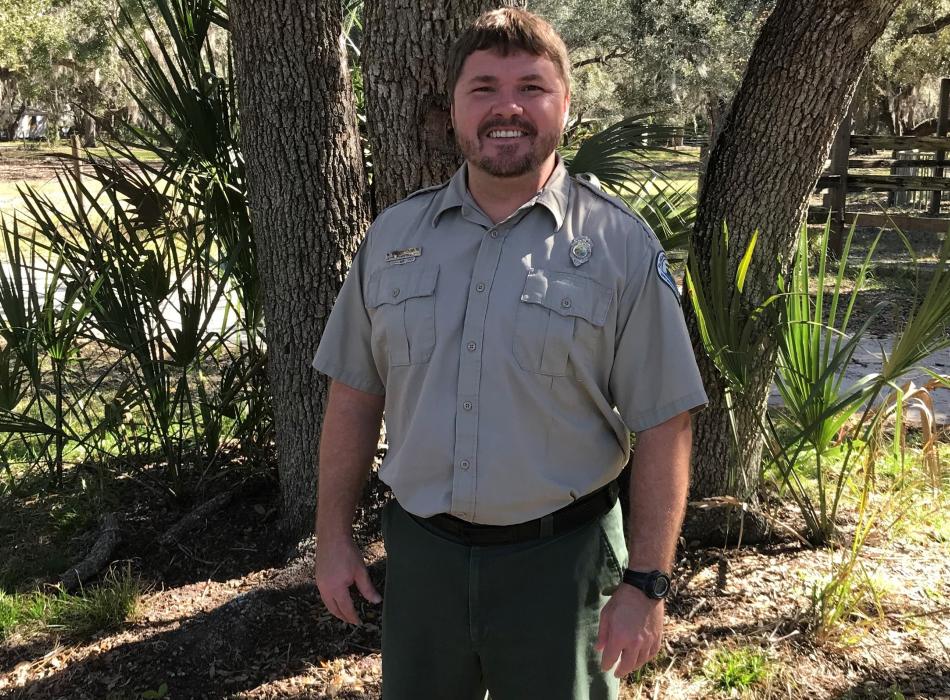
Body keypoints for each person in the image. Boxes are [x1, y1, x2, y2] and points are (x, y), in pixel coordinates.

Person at [312, 8, 707, 700]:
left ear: (565, 105)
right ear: (455, 109)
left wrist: (646, 583)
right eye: (484, 88)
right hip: (423, 561)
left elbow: (667, 419)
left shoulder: (619, 246)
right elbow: (354, 391)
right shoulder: (393, 237)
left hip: (563, 566)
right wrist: (333, 537)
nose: (508, 109)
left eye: (531, 87)